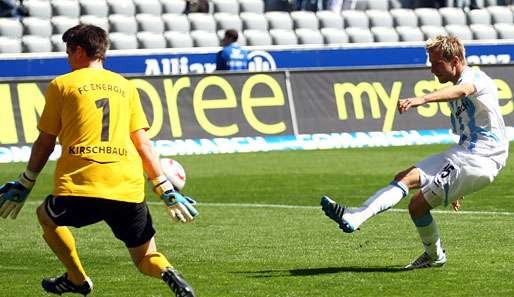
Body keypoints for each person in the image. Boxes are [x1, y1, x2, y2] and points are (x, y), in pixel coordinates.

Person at [0, 24, 198, 296]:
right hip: (127, 188)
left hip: (82, 186)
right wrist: (164, 189)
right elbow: (142, 143)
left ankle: (77, 279)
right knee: (144, 256)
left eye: (69, 52)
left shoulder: (62, 85)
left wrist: (26, 182)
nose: (68, 58)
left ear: (80, 51)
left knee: (45, 216)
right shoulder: (126, 87)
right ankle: (168, 272)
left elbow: (45, 142)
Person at [320, 35, 509, 269]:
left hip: (481, 158)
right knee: (409, 187)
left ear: (456, 60)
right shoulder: (456, 91)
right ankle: (359, 218)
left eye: (437, 63)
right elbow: (466, 132)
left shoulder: (474, 78)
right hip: (465, 155)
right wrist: (458, 184)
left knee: (418, 203)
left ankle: (361, 219)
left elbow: (462, 91)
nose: (432, 69)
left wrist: (422, 99)